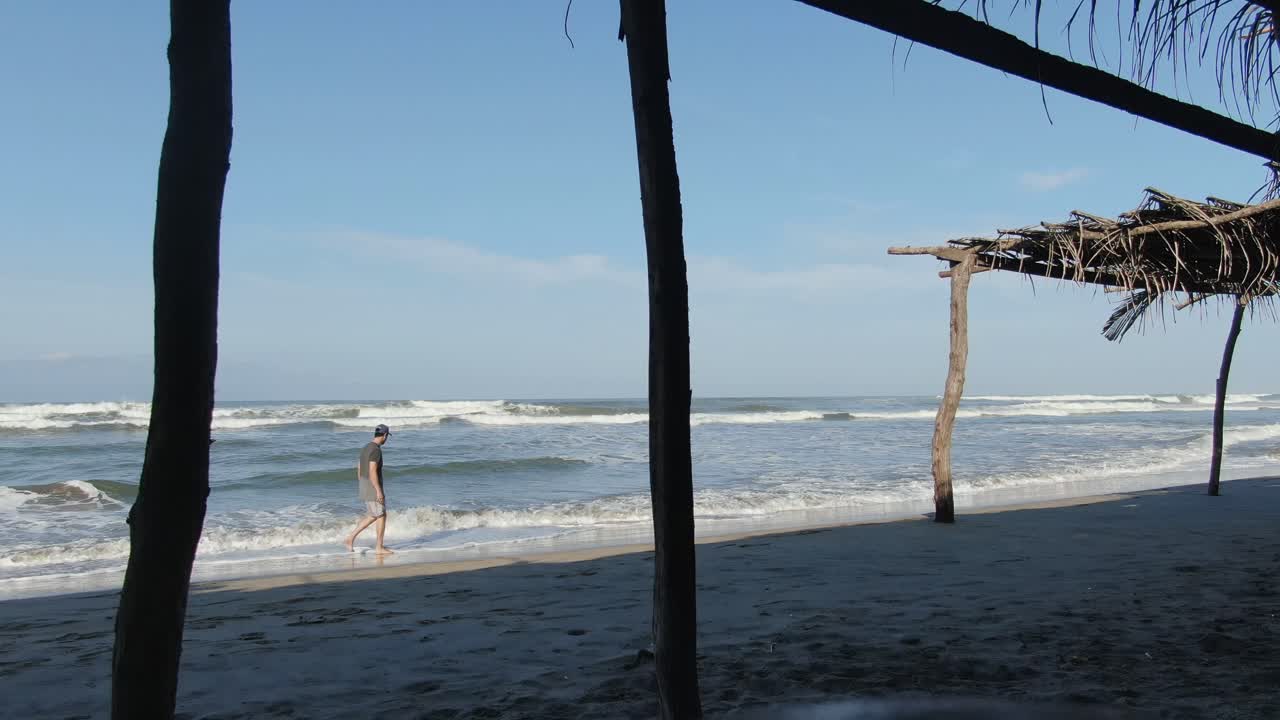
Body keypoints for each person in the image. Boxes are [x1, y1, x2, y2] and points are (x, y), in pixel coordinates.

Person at [345, 424, 394, 555]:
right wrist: (378, 490)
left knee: (375, 515)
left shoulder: (366, 447)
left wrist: (362, 483)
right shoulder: (376, 450)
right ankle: (377, 547)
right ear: (385, 435)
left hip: (364, 483)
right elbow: (372, 471)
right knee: (380, 515)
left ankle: (352, 539)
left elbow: (359, 467)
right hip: (372, 485)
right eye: (387, 436)